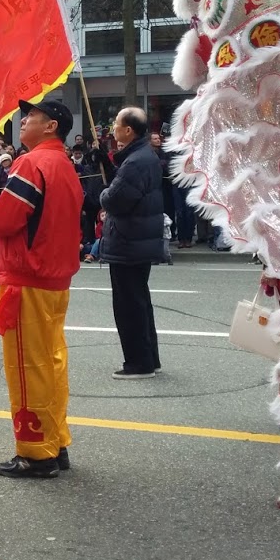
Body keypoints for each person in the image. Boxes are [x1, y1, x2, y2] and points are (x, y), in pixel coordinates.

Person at [0, 98, 82, 479]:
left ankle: (36, 452)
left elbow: (5, 220)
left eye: (30, 116)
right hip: (54, 281)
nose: (24, 120)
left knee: (27, 367)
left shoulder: (31, 163)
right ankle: (55, 440)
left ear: (51, 126)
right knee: (51, 363)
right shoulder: (64, 165)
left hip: (28, 279)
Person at [98, 108, 169, 378]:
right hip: (136, 238)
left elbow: (115, 198)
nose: (113, 128)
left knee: (129, 305)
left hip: (129, 240)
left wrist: (104, 194)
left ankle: (139, 363)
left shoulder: (136, 161)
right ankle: (149, 357)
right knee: (138, 300)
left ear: (129, 130)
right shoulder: (140, 156)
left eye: (117, 124)